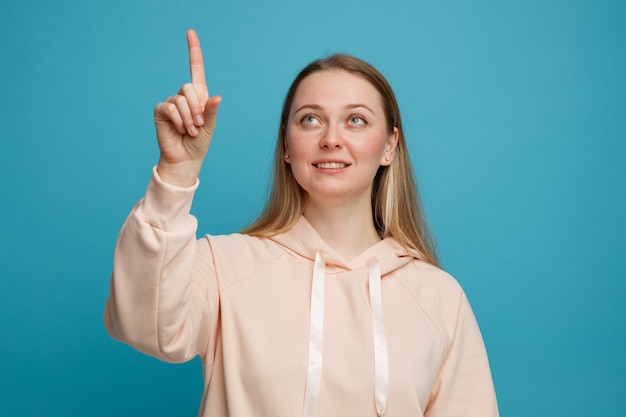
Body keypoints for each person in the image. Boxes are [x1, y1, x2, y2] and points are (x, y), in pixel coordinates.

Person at [104, 29, 499, 417]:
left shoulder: (439, 298)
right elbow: (141, 326)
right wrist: (176, 172)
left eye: (356, 120)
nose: (331, 139)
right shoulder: (224, 267)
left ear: (390, 146)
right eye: (310, 119)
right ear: (287, 145)